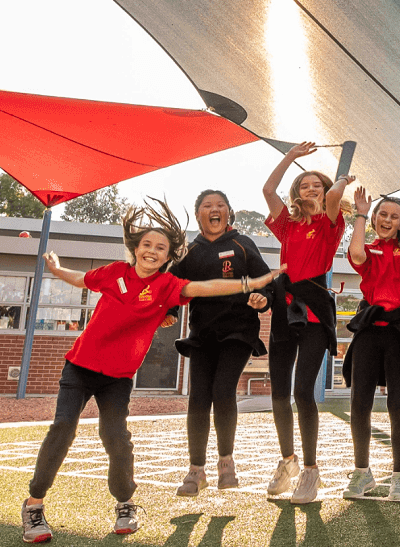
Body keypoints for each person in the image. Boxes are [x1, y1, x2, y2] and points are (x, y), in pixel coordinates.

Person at [21, 201, 274, 544]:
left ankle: (125, 504)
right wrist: (57, 268)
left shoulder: (167, 286)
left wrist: (249, 283)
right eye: (147, 245)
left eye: (161, 247)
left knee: (115, 437)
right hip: (80, 367)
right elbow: (80, 280)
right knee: (63, 426)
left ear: (167, 256)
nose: (152, 251)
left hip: (118, 378)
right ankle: (34, 504)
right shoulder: (114, 274)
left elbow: (207, 287)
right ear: (135, 249)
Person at [261, 142, 353, 505]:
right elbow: (268, 191)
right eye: (304, 186)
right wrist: (291, 158)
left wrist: (340, 182)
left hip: (314, 314)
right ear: (296, 193)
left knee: (303, 392)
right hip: (284, 311)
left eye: (317, 185)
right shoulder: (288, 224)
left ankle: (312, 471)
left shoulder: (330, 222)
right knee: (279, 394)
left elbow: (333, 200)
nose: (311, 190)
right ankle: (288, 462)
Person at [170, 189, 272, 496]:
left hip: (238, 332)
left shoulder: (243, 244)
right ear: (198, 213)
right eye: (207, 206)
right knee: (199, 396)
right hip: (202, 334)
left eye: (220, 205)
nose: (214, 209)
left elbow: (267, 282)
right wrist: (171, 311)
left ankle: (226, 463)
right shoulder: (189, 250)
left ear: (228, 213)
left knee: (223, 389)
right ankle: (195, 470)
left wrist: (261, 300)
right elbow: (171, 287)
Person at [342, 184, 400, 500]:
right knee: (359, 402)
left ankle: (399, 476)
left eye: (395, 216)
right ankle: (361, 472)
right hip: (370, 329)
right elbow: (355, 254)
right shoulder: (368, 247)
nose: (387, 219)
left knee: (398, 403)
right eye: (383, 214)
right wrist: (360, 215)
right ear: (375, 217)